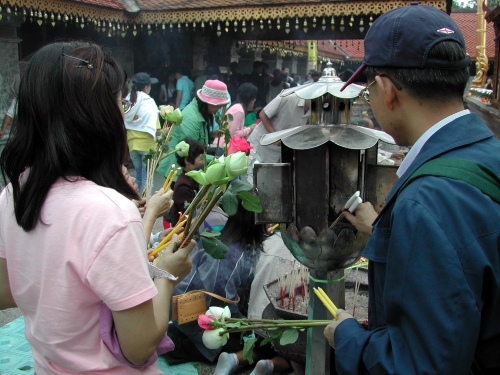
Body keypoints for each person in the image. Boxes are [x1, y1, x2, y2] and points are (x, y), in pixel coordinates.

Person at [0, 41, 196, 374]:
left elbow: (6, 293)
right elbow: (140, 346)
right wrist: (167, 276)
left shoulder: (13, 193)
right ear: (98, 115)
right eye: (120, 102)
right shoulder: (109, 212)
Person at [324, 4, 500, 374]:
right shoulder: (487, 152)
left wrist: (349, 337)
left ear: (386, 90)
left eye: (368, 86)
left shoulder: (427, 202)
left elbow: (420, 365)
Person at [164, 199, 265, 365]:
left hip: (183, 308)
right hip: (189, 311)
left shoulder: (228, 238)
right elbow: (221, 297)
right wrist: (245, 324)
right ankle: (192, 347)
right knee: (259, 346)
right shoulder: (230, 252)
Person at [214, 230, 296, 375]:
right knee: (292, 356)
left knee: (258, 348)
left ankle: (233, 359)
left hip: (256, 322)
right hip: (282, 324)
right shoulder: (305, 251)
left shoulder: (268, 241)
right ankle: (270, 366)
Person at [157, 80, 230, 178]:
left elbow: (196, 139)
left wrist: (211, 134)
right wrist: (220, 160)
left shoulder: (199, 111)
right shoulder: (191, 118)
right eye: (219, 105)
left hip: (188, 168)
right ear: (207, 102)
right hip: (177, 171)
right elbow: (193, 153)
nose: (220, 108)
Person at [247, 88, 309, 164]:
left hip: (278, 154)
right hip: (259, 147)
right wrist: (275, 137)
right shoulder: (288, 97)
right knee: (253, 174)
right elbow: (263, 114)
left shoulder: (314, 111)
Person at [124, 72, 160, 195]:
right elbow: (156, 127)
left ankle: (137, 200)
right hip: (147, 146)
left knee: (139, 176)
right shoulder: (148, 102)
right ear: (146, 87)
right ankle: (145, 204)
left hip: (132, 144)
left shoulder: (128, 101)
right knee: (147, 179)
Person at [168, 137, 205, 226]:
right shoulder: (183, 186)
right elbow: (190, 217)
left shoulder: (196, 179)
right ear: (187, 161)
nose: (204, 162)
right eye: (201, 159)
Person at [212, 82, 258, 148]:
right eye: (253, 98)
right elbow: (234, 134)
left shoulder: (237, 107)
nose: (254, 100)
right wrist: (249, 129)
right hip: (222, 147)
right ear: (249, 98)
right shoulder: (239, 110)